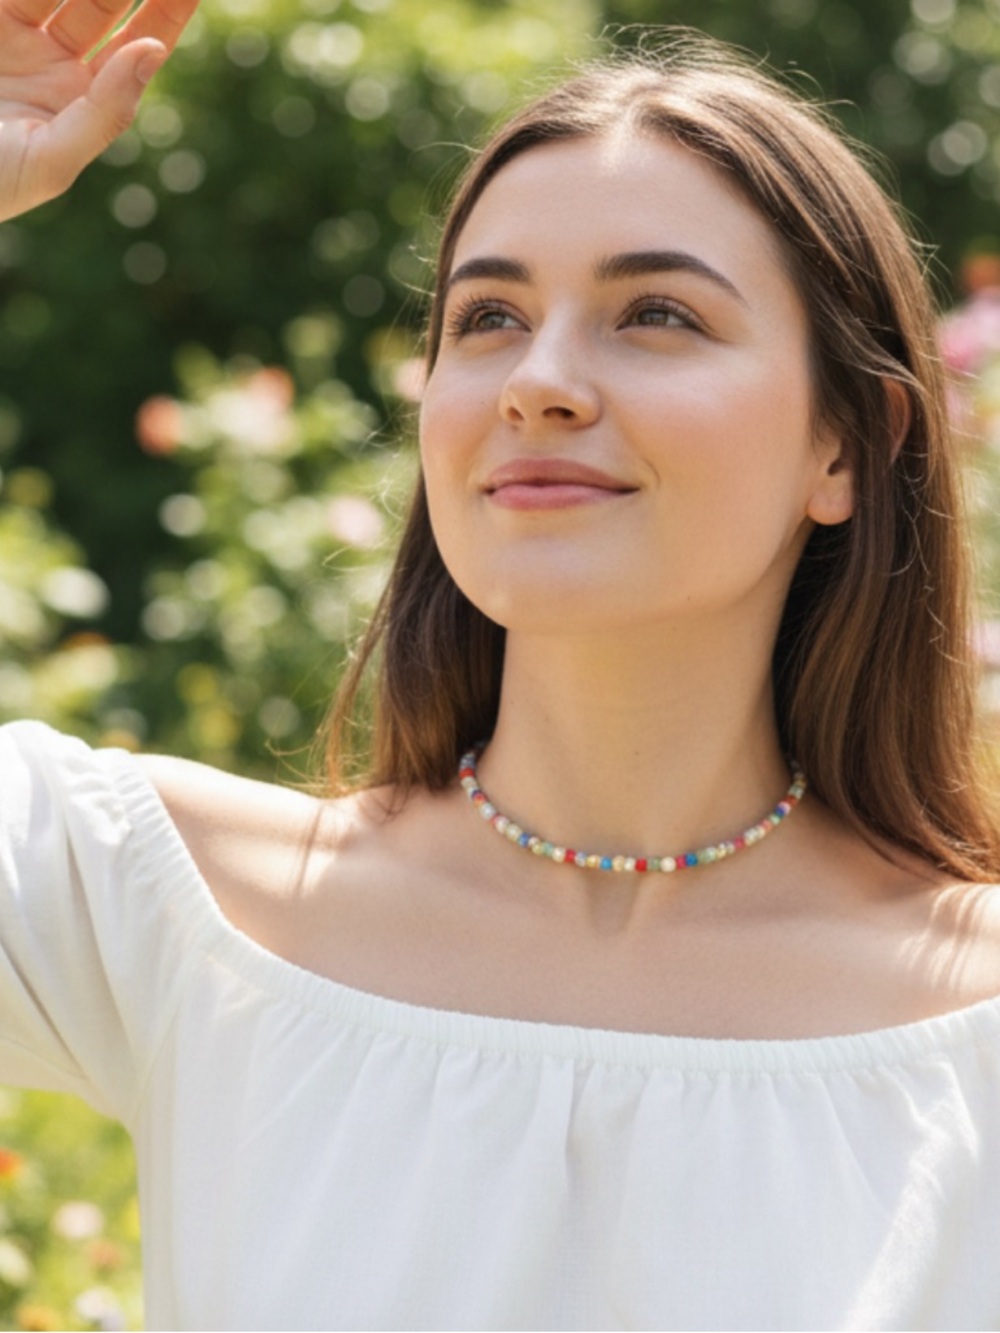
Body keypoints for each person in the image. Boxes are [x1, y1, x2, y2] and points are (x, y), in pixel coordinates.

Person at [3, 4, 1000, 1328]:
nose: (539, 380)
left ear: (846, 443)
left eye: (655, 313)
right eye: (485, 318)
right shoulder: (156, 900)